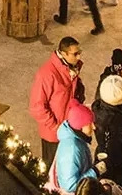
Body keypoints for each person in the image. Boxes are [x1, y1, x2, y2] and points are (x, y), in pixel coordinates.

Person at [29, 36, 85, 164]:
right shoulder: (47, 74)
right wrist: (56, 127)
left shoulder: (72, 69)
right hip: (54, 136)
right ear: (63, 54)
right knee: (52, 169)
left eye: (79, 53)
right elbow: (36, 107)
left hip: (69, 130)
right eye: (75, 54)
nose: (79, 57)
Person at [48, 101, 103, 194]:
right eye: (90, 123)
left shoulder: (76, 138)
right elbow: (69, 186)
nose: (94, 127)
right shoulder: (71, 150)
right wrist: (95, 171)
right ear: (80, 127)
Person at [93, 75, 122, 191]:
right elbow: (115, 152)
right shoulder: (114, 121)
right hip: (117, 171)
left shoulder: (99, 109)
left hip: (107, 159)